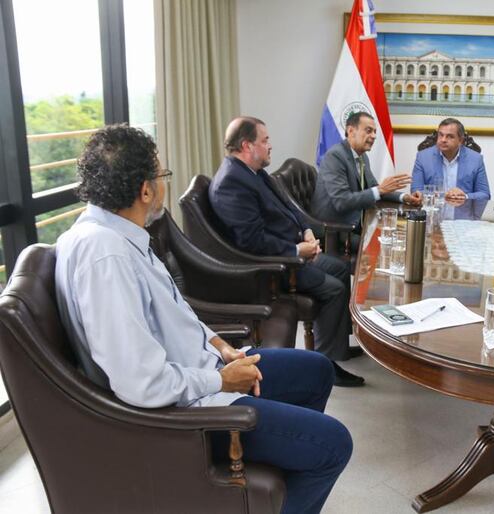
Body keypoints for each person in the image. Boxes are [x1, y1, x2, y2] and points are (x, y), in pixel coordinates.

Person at [54, 124, 352, 514]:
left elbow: (173, 311)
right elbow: (140, 384)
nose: (162, 185)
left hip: (202, 369)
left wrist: (220, 345)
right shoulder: (105, 257)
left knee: (316, 370)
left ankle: (277, 473)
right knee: (334, 444)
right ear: (145, 190)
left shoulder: (118, 234)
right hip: (187, 414)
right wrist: (222, 379)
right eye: (161, 176)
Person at [209, 116, 365, 387]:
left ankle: (336, 345)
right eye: (265, 140)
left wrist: (306, 231)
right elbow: (251, 241)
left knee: (340, 269)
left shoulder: (254, 172)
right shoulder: (232, 183)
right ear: (247, 145)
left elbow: (291, 207)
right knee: (334, 288)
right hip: (274, 267)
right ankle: (326, 363)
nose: (270, 145)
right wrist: (296, 251)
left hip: (293, 253)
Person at [312, 111, 421, 231]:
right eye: (369, 131)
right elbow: (341, 201)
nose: (374, 136)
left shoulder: (362, 156)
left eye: (375, 132)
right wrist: (380, 189)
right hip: (335, 228)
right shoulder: (335, 156)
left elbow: (374, 188)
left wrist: (405, 197)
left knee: (398, 233)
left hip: (359, 222)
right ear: (351, 131)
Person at [410, 117, 491, 202]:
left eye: (450, 136)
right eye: (441, 135)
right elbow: (416, 191)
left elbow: (484, 194)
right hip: (433, 212)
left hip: (463, 213)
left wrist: (465, 196)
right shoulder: (423, 157)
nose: (443, 140)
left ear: (460, 140)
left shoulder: (476, 159)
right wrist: (437, 195)